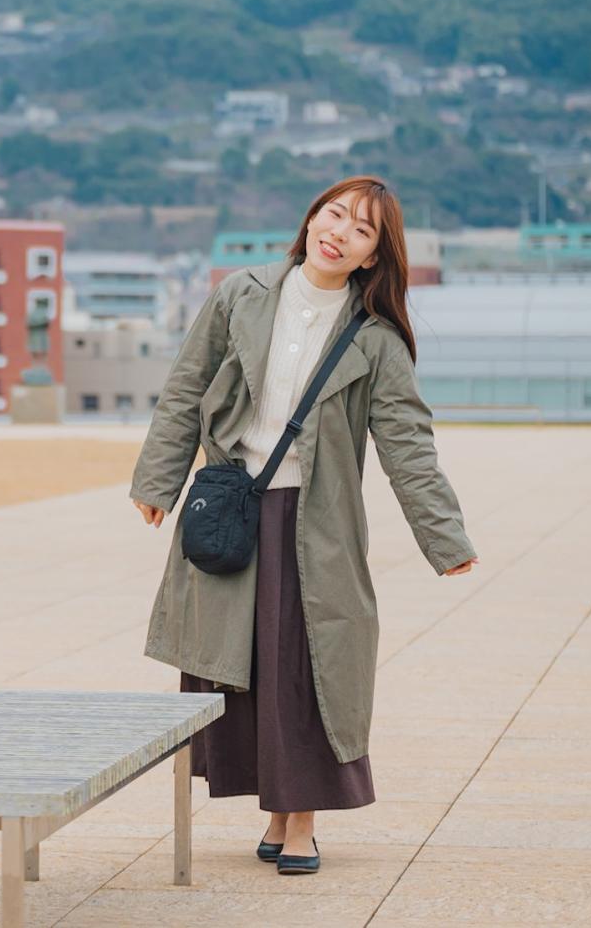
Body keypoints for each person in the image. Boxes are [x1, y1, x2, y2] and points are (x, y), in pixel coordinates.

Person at [131, 175, 478, 876]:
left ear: (372, 257)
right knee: (243, 668)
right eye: (334, 214)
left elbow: (408, 445)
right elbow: (185, 387)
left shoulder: (376, 340)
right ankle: (274, 809)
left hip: (313, 523)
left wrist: (444, 540)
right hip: (231, 509)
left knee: (307, 669)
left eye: (359, 230)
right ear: (312, 216)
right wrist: (156, 479)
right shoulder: (241, 293)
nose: (338, 231)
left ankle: (300, 824)